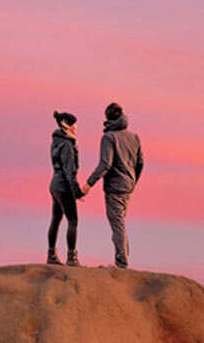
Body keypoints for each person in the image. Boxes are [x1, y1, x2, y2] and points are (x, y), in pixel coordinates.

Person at [80, 102, 143, 268]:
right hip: (128, 186)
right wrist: (133, 180)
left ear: (107, 118)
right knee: (120, 222)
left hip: (115, 187)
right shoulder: (134, 137)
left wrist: (88, 184)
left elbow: (105, 164)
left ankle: (122, 262)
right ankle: (123, 258)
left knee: (117, 223)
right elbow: (140, 162)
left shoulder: (109, 137)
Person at [47, 110, 83, 266]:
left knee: (56, 219)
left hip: (54, 184)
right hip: (64, 187)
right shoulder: (67, 144)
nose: (76, 127)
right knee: (73, 220)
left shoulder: (56, 141)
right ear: (65, 125)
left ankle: (51, 255)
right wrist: (77, 191)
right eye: (74, 124)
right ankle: (71, 258)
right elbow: (70, 172)